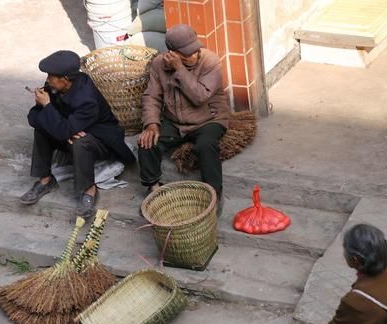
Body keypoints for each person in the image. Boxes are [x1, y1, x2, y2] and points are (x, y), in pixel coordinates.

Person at [21, 50, 135, 218]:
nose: (47, 80)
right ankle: (46, 180)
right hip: (70, 131)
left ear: (65, 79)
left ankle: (89, 189)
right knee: (42, 128)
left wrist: (50, 111)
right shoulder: (54, 87)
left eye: (51, 76)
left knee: (80, 142)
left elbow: (60, 128)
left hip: (101, 141)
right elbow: (33, 118)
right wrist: (61, 126)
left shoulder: (86, 99)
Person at [138, 24, 231, 210]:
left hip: (209, 119)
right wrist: (151, 123)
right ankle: (154, 189)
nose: (194, 56)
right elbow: (152, 96)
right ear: (172, 52)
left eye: (195, 50)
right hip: (175, 122)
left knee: (205, 146)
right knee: (146, 142)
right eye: (187, 53)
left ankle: (213, 195)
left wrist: (180, 69)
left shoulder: (210, 61)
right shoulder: (158, 64)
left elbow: (199, 97)